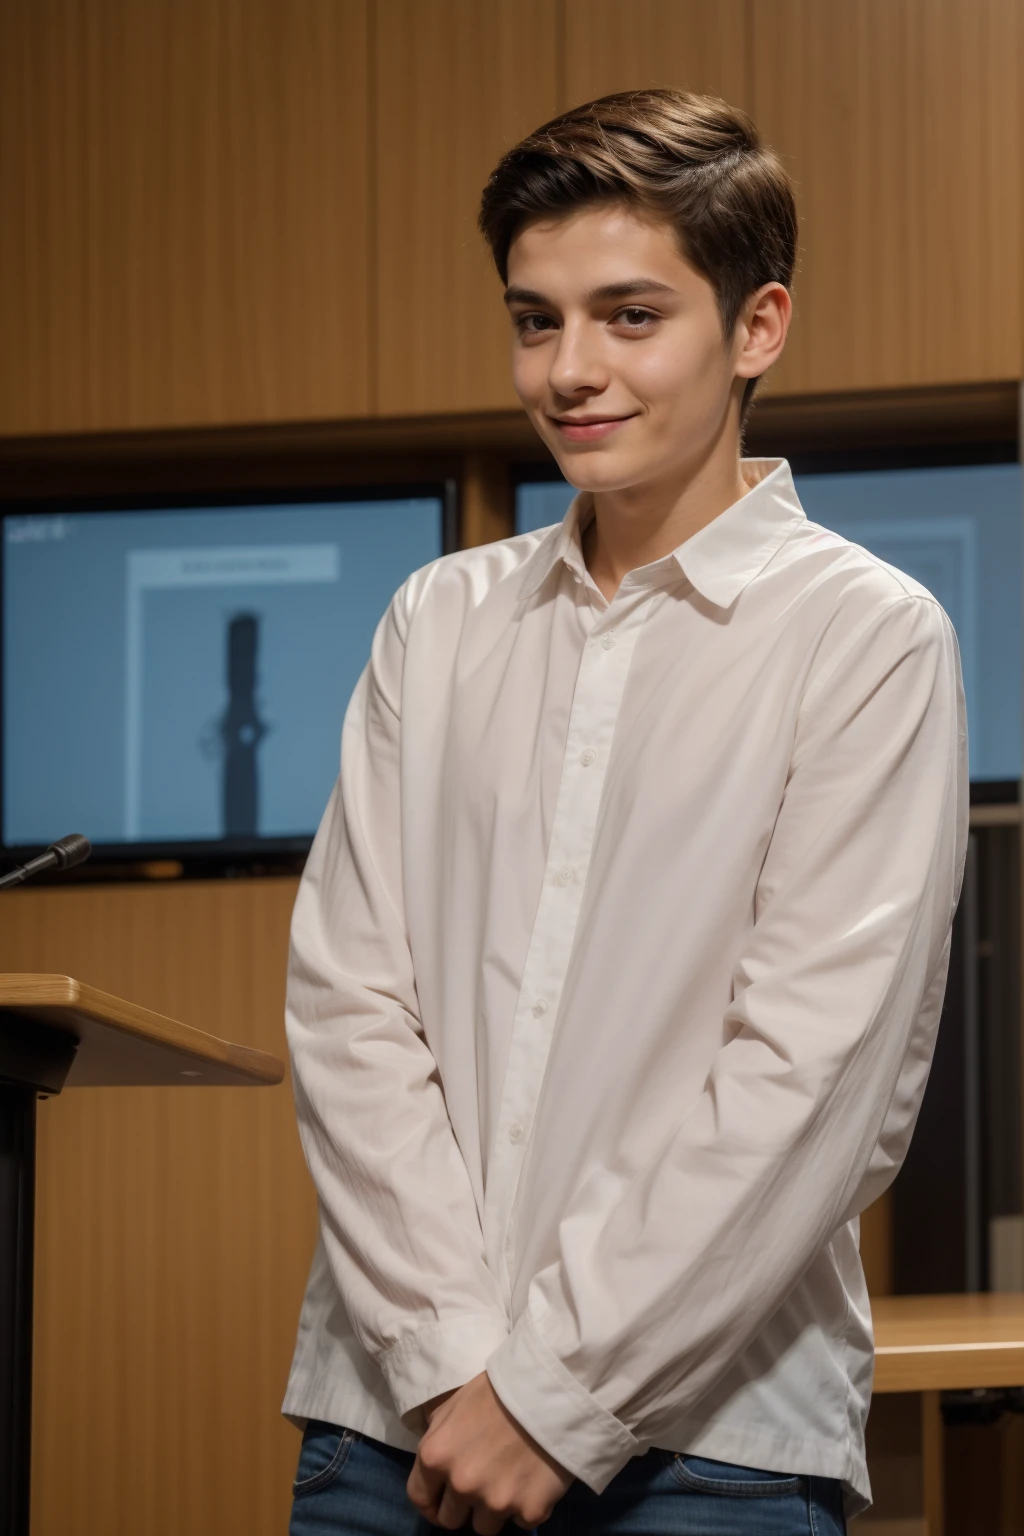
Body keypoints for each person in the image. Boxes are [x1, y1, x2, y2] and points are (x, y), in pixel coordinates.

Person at [282, 89, 968, 1536]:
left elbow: (815, 1077)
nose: (571, 370)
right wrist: (457, 1366)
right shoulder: (438, 619)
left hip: (710, 1445)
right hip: (392, 1426)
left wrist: (551, 1396)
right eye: (537, 319)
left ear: (758, 327)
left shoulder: (868, 637)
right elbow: (351, 1005)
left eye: (630, 316)